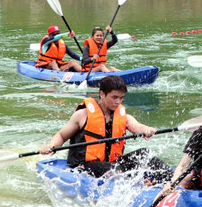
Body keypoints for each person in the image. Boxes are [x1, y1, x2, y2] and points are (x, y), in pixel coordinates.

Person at [40, 75, 172, 181]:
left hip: (112, 164)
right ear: (102, 94)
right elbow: (61, 135)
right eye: (114, 97)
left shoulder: (122, 115)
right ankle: (141, 184)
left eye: (121, 98)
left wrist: (147, 129)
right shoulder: (82, 115)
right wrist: (51, 146)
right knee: (114, 169)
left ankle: (175, 180)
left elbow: (137, 126)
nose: (118, 102)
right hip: (84, 166)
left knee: (144, 154)